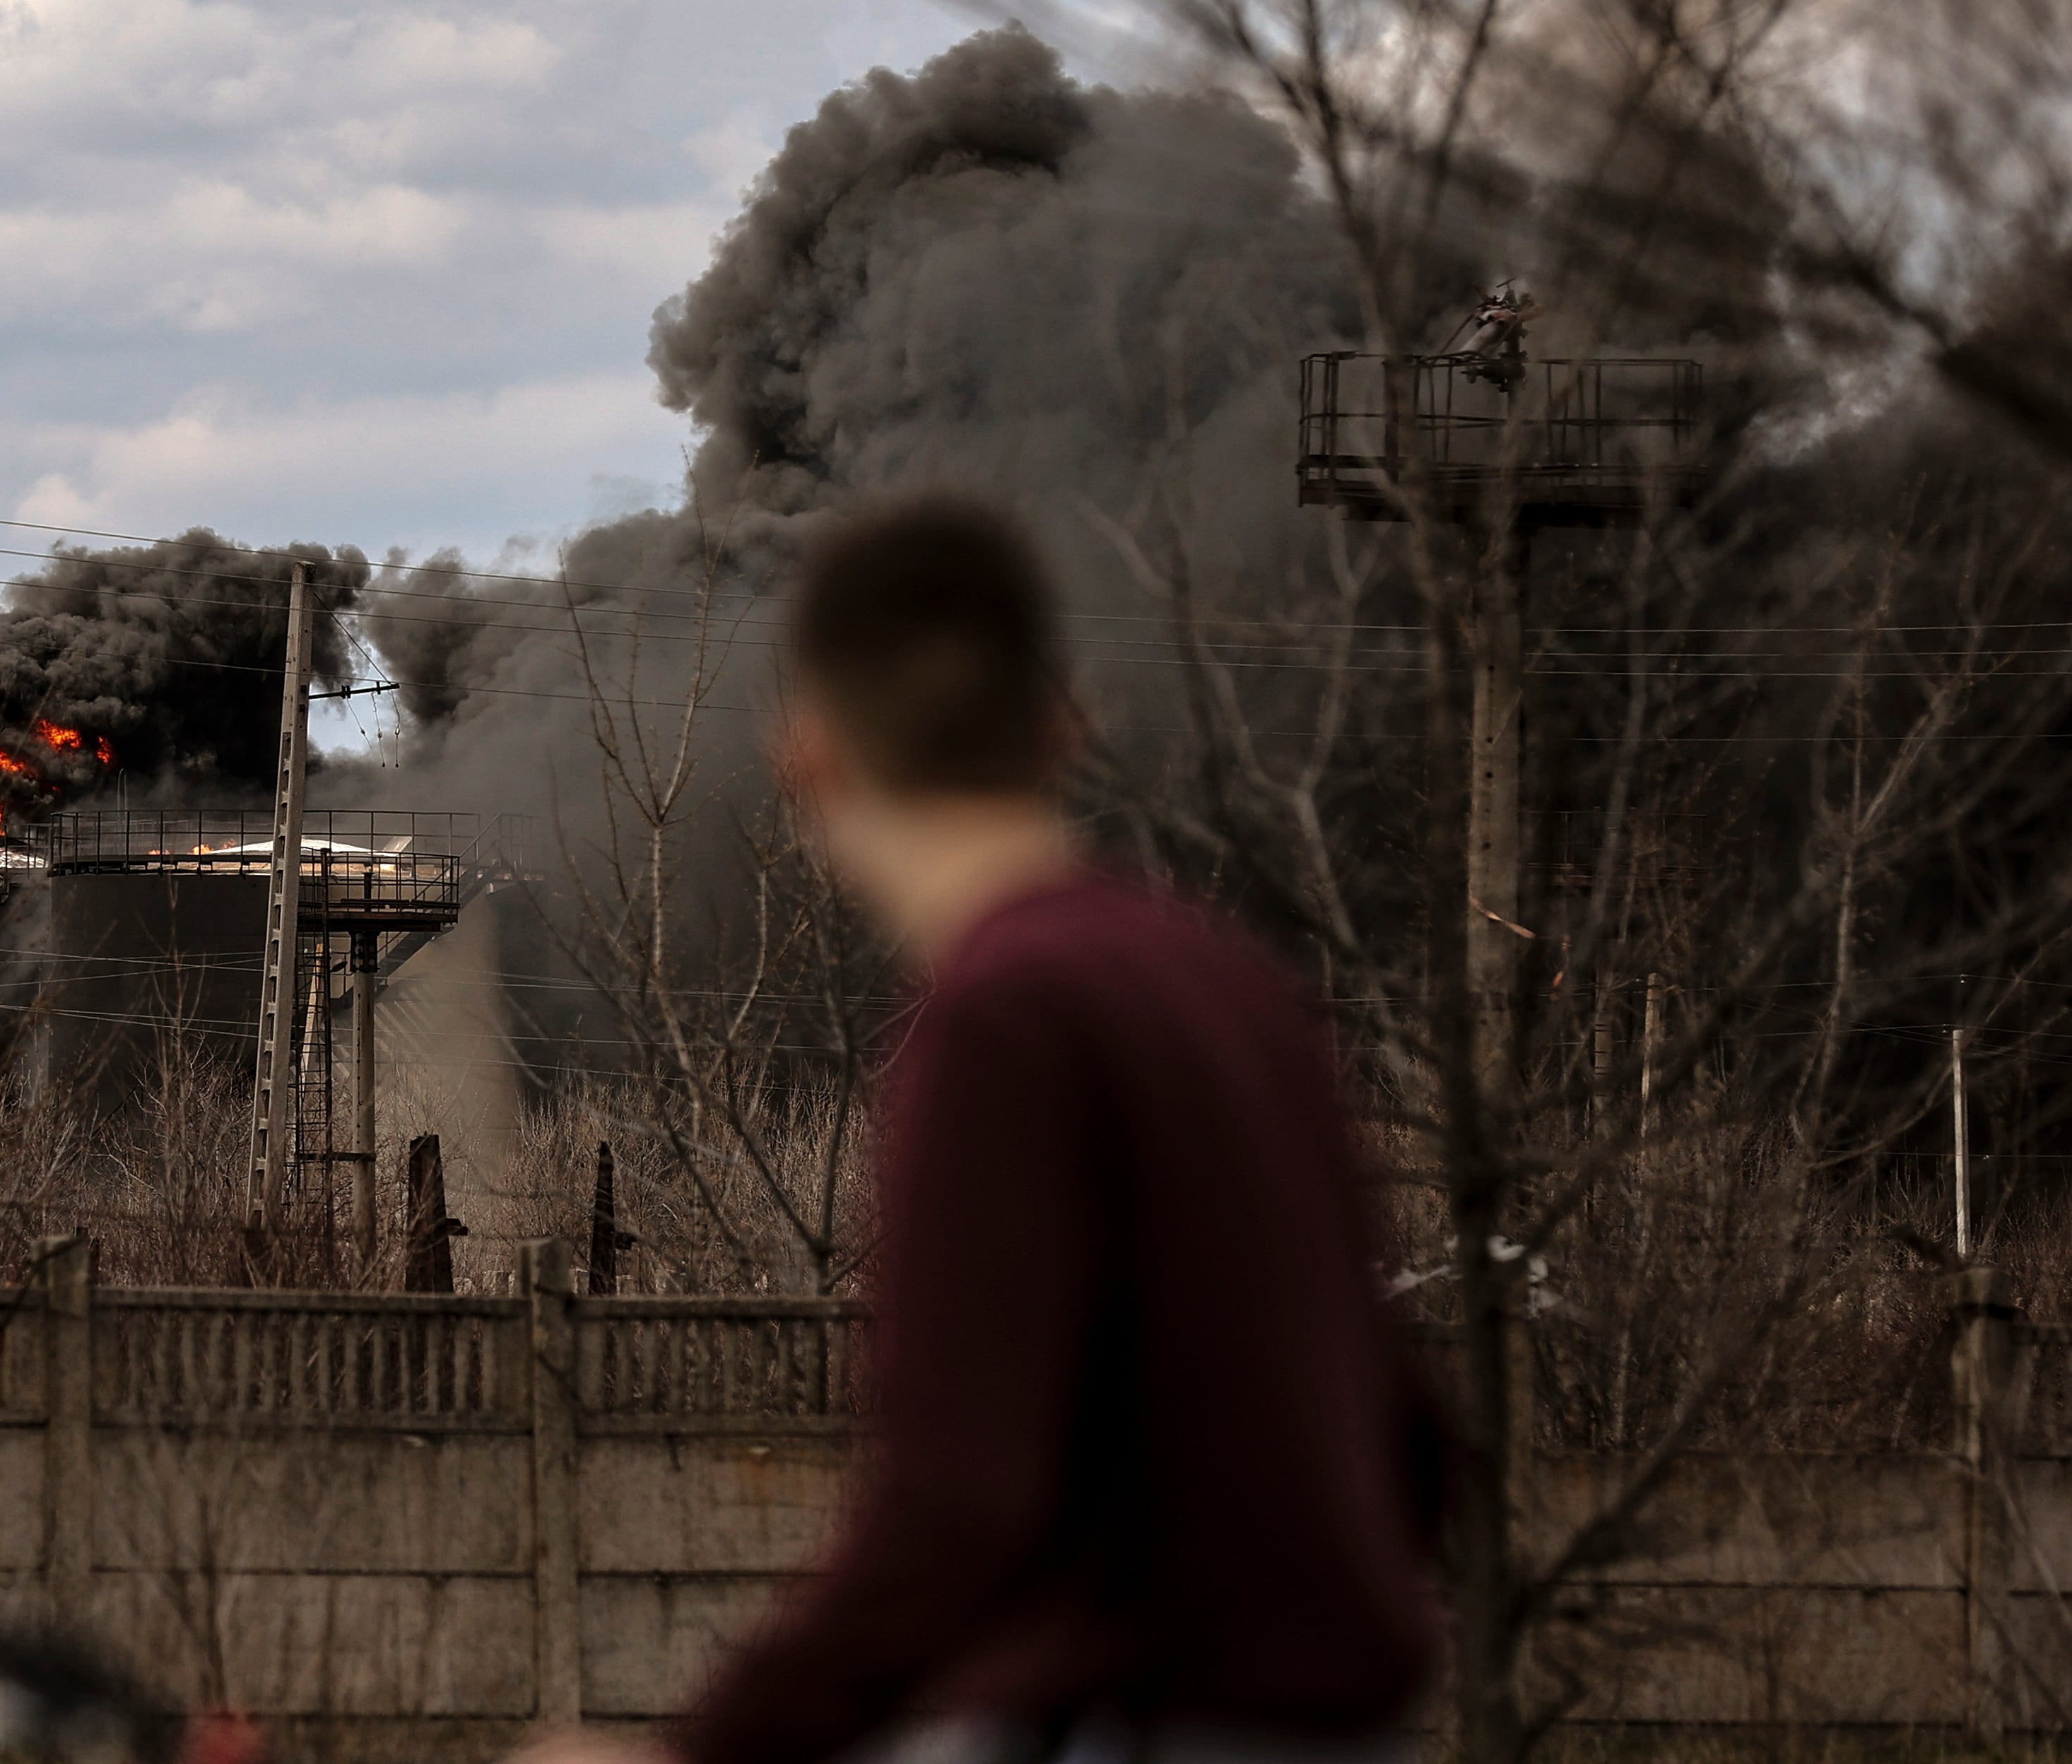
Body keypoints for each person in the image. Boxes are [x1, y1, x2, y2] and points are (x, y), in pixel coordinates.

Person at [521, 495, 1442, 1764]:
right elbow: (1410, 1429)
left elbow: (960, 1499)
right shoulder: (1240, 986)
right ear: (1065, 728)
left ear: (808, 758)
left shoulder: (1003, 1016)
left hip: (1137, 1725)